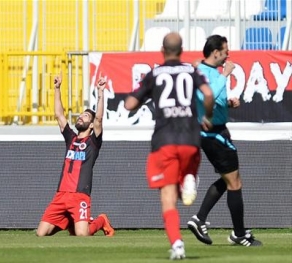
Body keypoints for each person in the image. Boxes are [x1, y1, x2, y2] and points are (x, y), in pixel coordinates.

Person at [124, 32, 214, 260]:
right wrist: (208, 116)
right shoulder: (191, 70)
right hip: (191, 138)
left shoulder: (154, 74)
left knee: (167, 197)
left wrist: (145, 95)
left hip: (165, 141)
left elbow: (129, 104)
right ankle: (190, 177)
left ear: (162, 51)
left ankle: (177, 244)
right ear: (181, 50)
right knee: (189, 163)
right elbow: (208, 93)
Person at [187, 35, 262, 247]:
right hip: (214, 135)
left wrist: (227, 104)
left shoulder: (209, 72)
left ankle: (200, 219)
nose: (228, 54)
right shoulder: (203, 72)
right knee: (234, 182)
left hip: (216, 132)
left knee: (228, 180)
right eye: (225, 50)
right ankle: (238, 234)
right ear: (216, 52)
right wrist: (226, 75)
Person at [36, 74, 115, 237]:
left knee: (82, 235)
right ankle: (71, 220)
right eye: (80, 115)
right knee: (41, 234)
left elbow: (99, 118)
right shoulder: (70, 138)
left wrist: (100, 93)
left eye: (85, 116)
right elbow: (59, 115)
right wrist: (57, 89)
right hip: (61, 195)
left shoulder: (93, 142)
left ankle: (101, 220)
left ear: (91, 125)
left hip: (80, 195)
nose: (80, 117)